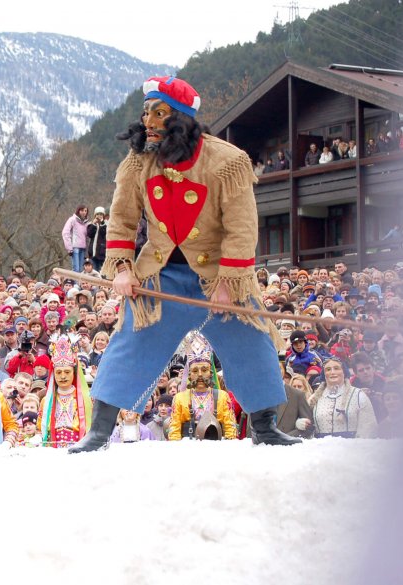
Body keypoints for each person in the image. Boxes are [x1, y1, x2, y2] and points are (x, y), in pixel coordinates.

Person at [70, 75, 298, 452]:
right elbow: (122, 218)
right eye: (146, 113)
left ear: (181, 119)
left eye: (159, 113)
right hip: (160, 275)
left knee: (252, 342)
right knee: (129, 343)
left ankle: (265, 426)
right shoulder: (137, 163)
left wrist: (229, 283)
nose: (148, 122)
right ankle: (99, 432)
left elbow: (242, 229)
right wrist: (123, 269)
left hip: (218, 276)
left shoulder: (228, 162)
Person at [166, 335, 237, 441]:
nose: (200, 374)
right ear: (189, 374)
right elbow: (174, 432)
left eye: (204, 370)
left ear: (211, 373)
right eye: (195, 371)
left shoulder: (222, 397)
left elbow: (231, 430)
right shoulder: (179, 398)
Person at [39, 334, 92, 448]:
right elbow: (40, 429)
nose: (63, 376)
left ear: (74, 373)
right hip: (53, 449)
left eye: (67, 372)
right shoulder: (46, 401)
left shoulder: (85, 400)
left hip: (78, 449)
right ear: (53, 374)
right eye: (59, 372)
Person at [309, 357, 377, 438]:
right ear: (324, 374)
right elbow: (308, 426)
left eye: (336, 368)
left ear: (344, 372)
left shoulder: (358, 395)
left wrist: (358, 447)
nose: (332, 372)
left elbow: (368, 426)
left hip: (351, 447)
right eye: (328, 369)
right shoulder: (314, 399)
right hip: (322, 447)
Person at [62, 205, 89, 272]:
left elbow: (87, 237)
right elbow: (65, 232)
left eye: (85, 211)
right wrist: (69, 248)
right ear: (78, 211)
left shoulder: (86, 223)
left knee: (81, 269)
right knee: (76, 268)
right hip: (75, 248)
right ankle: (75, 282)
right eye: (82, 210)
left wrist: (87, 252)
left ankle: (79, 282)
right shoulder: (72, 219)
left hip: (83, 248)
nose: (84, 212)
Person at [86, 206, 108, 272]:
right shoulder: (91, 224)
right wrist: (94, 224)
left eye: (101, 214)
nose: (99, 216)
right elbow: (89, 234)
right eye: (97, 214)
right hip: (93, 253)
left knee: (101, 271)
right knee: (94, 270)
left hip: (102, 252)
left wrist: (102, 224)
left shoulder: (106, 224)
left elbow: (104, 233)